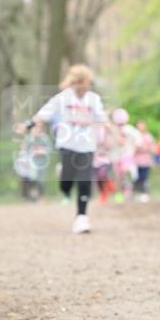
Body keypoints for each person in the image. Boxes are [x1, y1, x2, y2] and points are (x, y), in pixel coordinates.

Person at [25, 64, 107, 233]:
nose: (85, 88)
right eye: (82, 83)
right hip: (67, 144)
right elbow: (43, 114)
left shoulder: (93, 99)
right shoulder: (62, 98)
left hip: (86, 146)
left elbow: (103, 119)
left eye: (87, 84)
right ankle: (64, 182)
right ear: (74, 83)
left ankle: (82, 218)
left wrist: (115, 134)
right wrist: (29, 124)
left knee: (85, 179)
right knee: (66, 183)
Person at [110, 108, 139, 203]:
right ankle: (119, 194)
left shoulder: (130, 129)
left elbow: (138, 141)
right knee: (117, 176)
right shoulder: (112, 130)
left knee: (126, 173)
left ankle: (128, 192)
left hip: (127, 155)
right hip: (116, 156)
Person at [134, 120, 156, 202]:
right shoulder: (134, 136)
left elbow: (153, 148)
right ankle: (137, 193)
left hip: (145, 161)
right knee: (136, 178)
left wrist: (145, 150)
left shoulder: (148, 136)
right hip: (135, 161)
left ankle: (144, 193)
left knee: (144, 177)